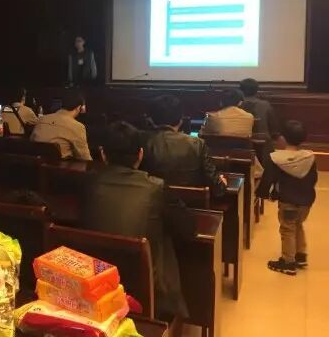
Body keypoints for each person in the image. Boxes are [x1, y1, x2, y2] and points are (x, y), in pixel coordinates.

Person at [83, 122, 195, 319]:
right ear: (140, 154)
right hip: (145, 291)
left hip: (96, 283)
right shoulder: (156, 187)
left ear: (102, 154)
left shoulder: (88, 183)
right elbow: (188, 229)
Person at [257, 120, 318, 276]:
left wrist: (262, 194)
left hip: (288, 201)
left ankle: (288, 261)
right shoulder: (309, 157)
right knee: (298, 225)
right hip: (306, 201)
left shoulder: (276, 158)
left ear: (283, 138)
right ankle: (301, 255)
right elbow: (314, 179)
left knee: (287, 229)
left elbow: (268, 179)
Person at [141, 95, 226, 194]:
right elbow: (215, 186)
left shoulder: (142, 141)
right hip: (190, 201)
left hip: (151, 199)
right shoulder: (197, 143)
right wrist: (221, 184)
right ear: (181, 119)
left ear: (151, 119)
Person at [30, 91, 92, 161]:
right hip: (59, 166)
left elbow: (32, 141)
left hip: (36, 164)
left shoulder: (42, 119)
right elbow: (84, 157)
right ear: (79, 108)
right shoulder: (77, 126)